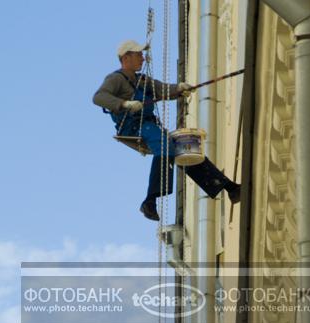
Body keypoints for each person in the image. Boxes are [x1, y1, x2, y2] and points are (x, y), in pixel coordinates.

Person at [93, 40, 240, 221]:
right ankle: (150, 202)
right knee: (164, 145)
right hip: (134, 127)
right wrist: (124, 104)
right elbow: (99, 97)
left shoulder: (142, 80)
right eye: (138, 54)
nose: (143, 58)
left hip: (149, 126)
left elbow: (162, 90)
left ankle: (229, 187)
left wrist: (179, 88)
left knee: (185, 150)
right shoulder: (115, 79)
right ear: (126, 57)